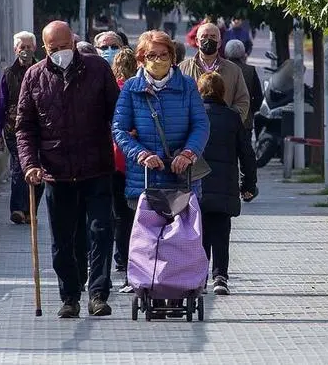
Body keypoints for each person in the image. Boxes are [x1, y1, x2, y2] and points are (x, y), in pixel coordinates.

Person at [16, 21, 120, 318]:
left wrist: (124, 139)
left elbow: (117, 112)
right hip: (56, 173)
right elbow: (25, 127)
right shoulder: (34, 77)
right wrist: (30, 164)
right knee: (64, 240)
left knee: (101, 231)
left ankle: (98, 294)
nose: (60, 52)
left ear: (74, 43)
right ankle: (70, 296)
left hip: (97, 167)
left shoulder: (98, 70)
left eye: (64, 47)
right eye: (53, 48)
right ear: (44, 48)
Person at [112, 30, 209, 316]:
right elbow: (119, 129)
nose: (157, 60)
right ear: (141, 58)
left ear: (172, 56)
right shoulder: (131, 88)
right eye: (150, 56)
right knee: (148, 237)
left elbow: (200, 126)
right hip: (145, 177)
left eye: (162, 55)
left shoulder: (187, 86)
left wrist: (188, 153)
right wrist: (140, 154)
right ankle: (150, 283)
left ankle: (179, 287)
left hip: (181, 178)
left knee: (182, 237)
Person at [197, 72, 256, 296]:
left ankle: (199, 277)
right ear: (223, 92)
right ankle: (220, 277)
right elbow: (247, 154)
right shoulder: (232, 117)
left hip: (197, 186)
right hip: (225, 186)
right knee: (221, 232)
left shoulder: (194, 116)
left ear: (199, 91)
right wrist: (248, 184)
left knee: (198, 232)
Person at [0, 31, 45, 224]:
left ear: (34, 48)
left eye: (28, 47)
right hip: (13, 129)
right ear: (16, 50)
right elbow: (1, 104)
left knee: (38, 169)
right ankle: (18, 209)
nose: (25, 51)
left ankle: (31, 210)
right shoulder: (9, 74)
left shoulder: (42, 70)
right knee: (19, 167)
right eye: (21, 47)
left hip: (39, 129)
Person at [178, 23, 250, 122]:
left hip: (223, 132)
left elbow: (242, 101)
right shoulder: (182, 69)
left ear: (219, 42)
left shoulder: (233, 70)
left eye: (213, 37)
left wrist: (230, 121)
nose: (208, 40)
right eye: (204, 36)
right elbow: (175, 100)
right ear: (197, 41)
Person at [109, 48, 138, 290]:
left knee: (117, 214)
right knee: (132, 214)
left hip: (114, 160)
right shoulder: (137, 91)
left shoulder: (112, 90)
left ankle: (120, 257)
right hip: (135, 162)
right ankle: (128, 257)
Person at [224, 40, 261, 202]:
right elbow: (258, 96)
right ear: (243, 53)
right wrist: (251, 111)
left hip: (224, 120)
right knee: (246, 154)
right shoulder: (250, 71)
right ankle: (247, 186)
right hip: (245, 120)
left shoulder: (221, 70)